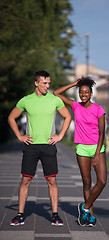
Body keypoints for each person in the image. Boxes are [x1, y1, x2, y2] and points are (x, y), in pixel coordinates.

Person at [8, 70, 71, 226]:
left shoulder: (54, 100)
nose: (47, 86)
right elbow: (11, 117)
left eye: (49, 83)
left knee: (52, 181)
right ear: (36, 83)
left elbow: (68, 116)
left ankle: (55, 215)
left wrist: (60, 135)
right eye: (44, 83)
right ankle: (20, 214)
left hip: (49, 146)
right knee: (26, 180)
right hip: (31, 146)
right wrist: (19, 136)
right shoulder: (26, 100)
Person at [53, 76, 107, 227]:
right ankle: (89, 215)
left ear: (91, 94)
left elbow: (102, 133)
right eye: (81, 92)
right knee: (87, 182)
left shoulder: (98, 109)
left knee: (102, 181)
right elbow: (56, 93)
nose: (83, 94)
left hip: (97, 148)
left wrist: (97, 154)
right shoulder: (76, 106)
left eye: (86, 92)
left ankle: (85, 207)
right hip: (82, 148)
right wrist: (74, 84)